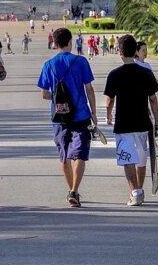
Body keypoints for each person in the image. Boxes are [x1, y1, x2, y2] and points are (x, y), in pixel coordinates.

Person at [37, 28, 97, 208]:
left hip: (59, 116)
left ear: (54, 44)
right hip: (81, 115)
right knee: (80, 155)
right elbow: (89, 89)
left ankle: (71, 190)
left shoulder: (49, 64)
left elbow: (44, 94)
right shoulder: (81, 62)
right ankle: (74, 191)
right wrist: (94, 113)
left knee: (63, 156)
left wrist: (59, 97)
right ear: (70, 41)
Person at [104, 35, 158, 206]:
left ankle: (135, 191)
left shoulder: (114, 74)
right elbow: (153, 99)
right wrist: (157, 121)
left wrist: (108, 114)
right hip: (143, 123)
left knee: (127, 158)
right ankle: (139, 190)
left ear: (120, 52)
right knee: (142, 158)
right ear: (135, 51)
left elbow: (109, 99)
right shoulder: (145, 73)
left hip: (123, 124)